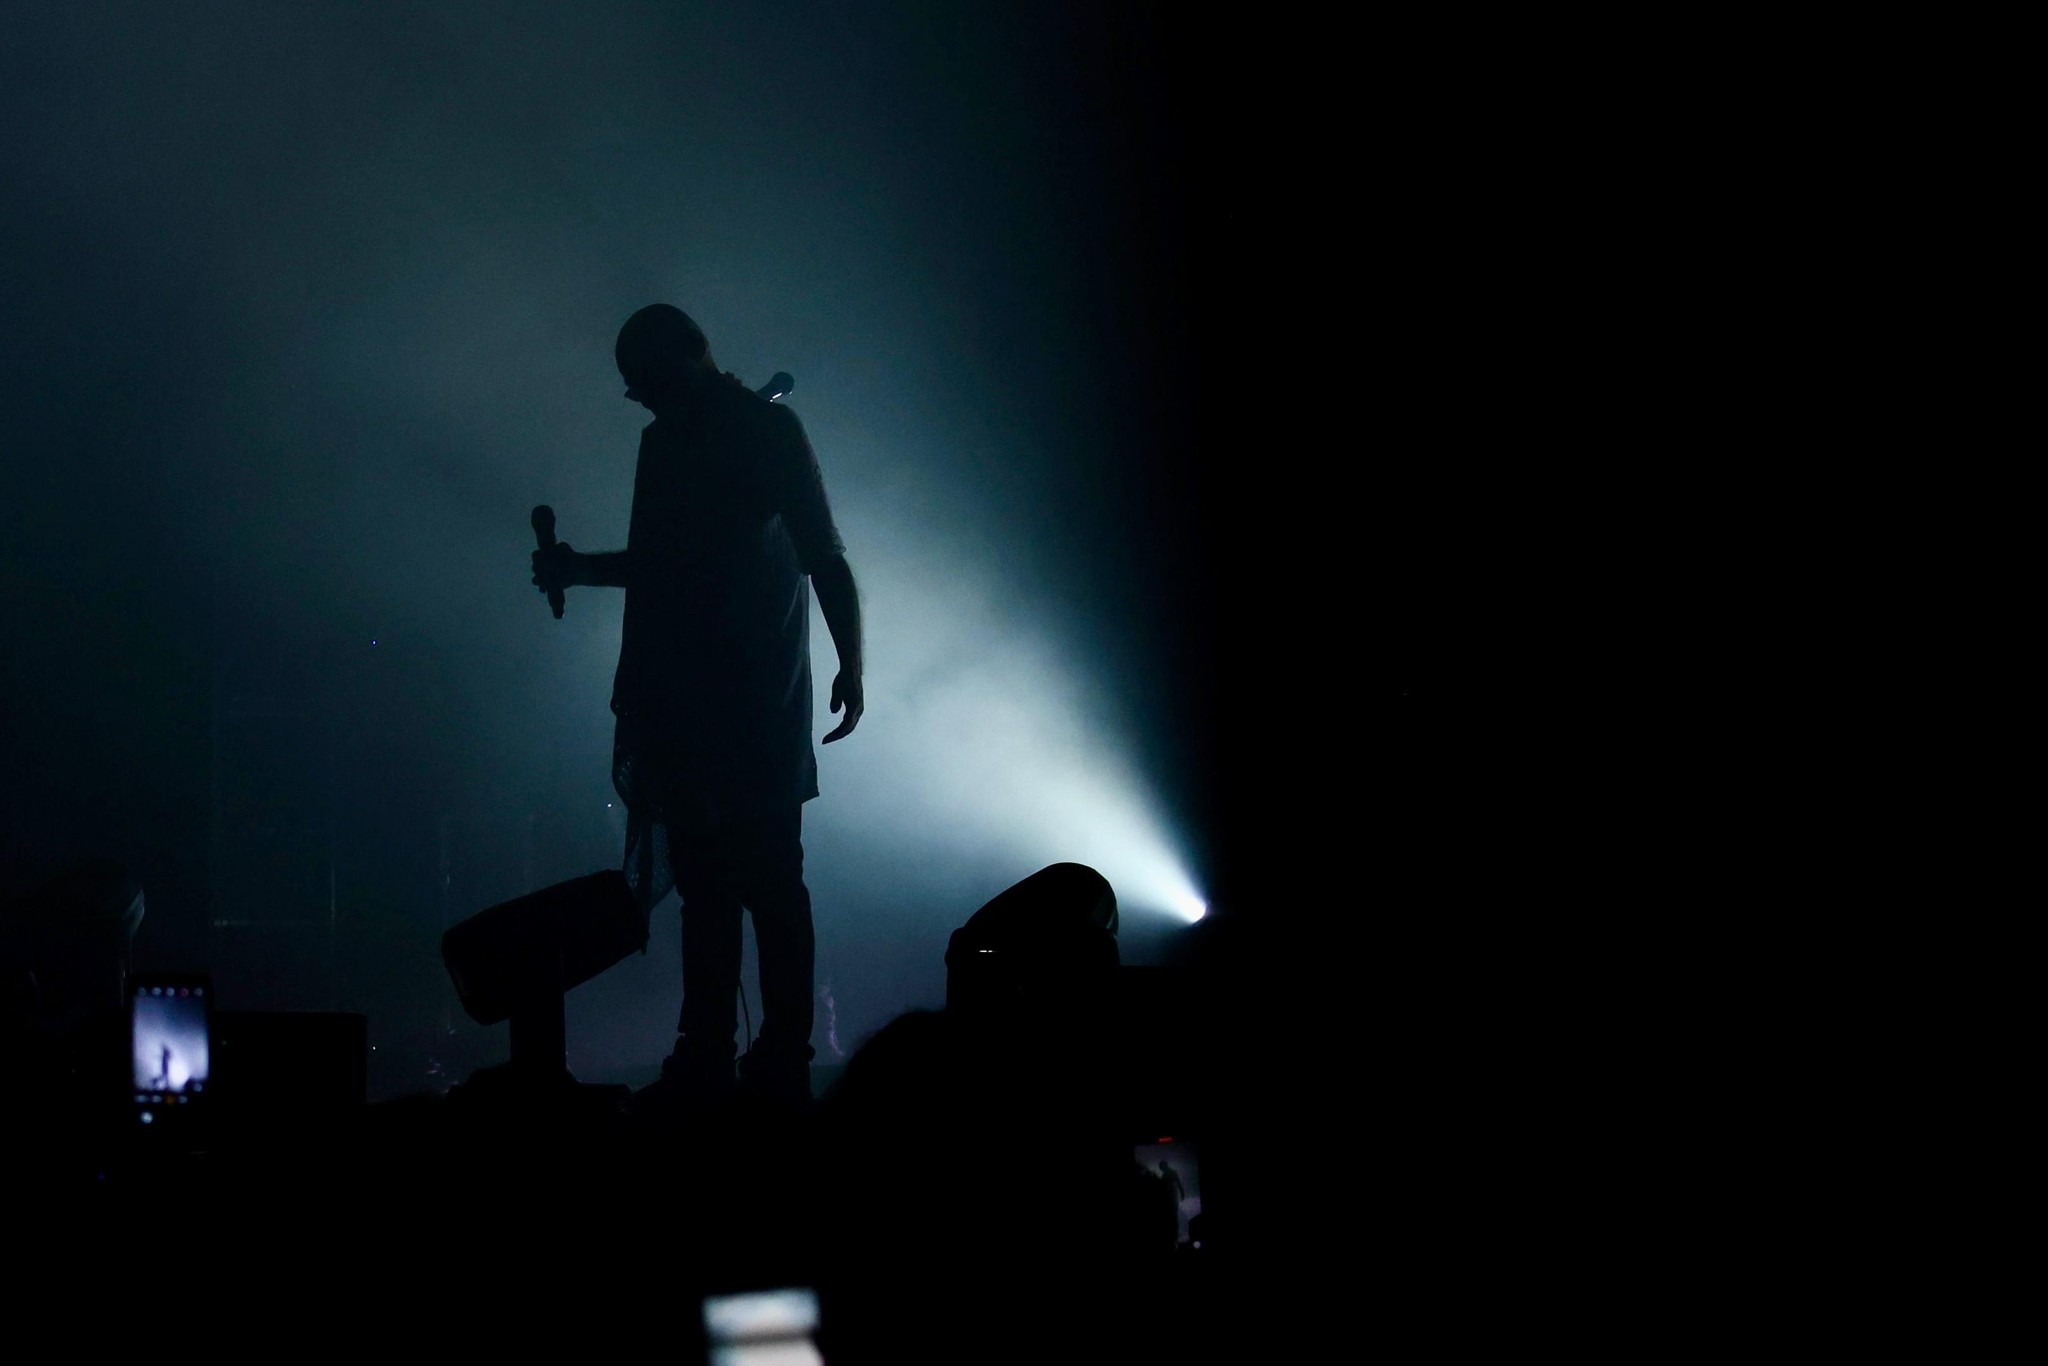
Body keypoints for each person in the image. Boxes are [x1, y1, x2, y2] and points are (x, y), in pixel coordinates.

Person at [530, 303, 864, 1113]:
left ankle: (772, 1053)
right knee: (720, 886)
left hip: (751, 699)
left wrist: (853, 661)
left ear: (677, 368)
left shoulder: (761, 433)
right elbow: (669, 566)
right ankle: (715, 1050)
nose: (639, 402)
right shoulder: (682, 438)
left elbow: (824, 555)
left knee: (768, 881)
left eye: (643, 386)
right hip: (700, 702)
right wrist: (577, 569)